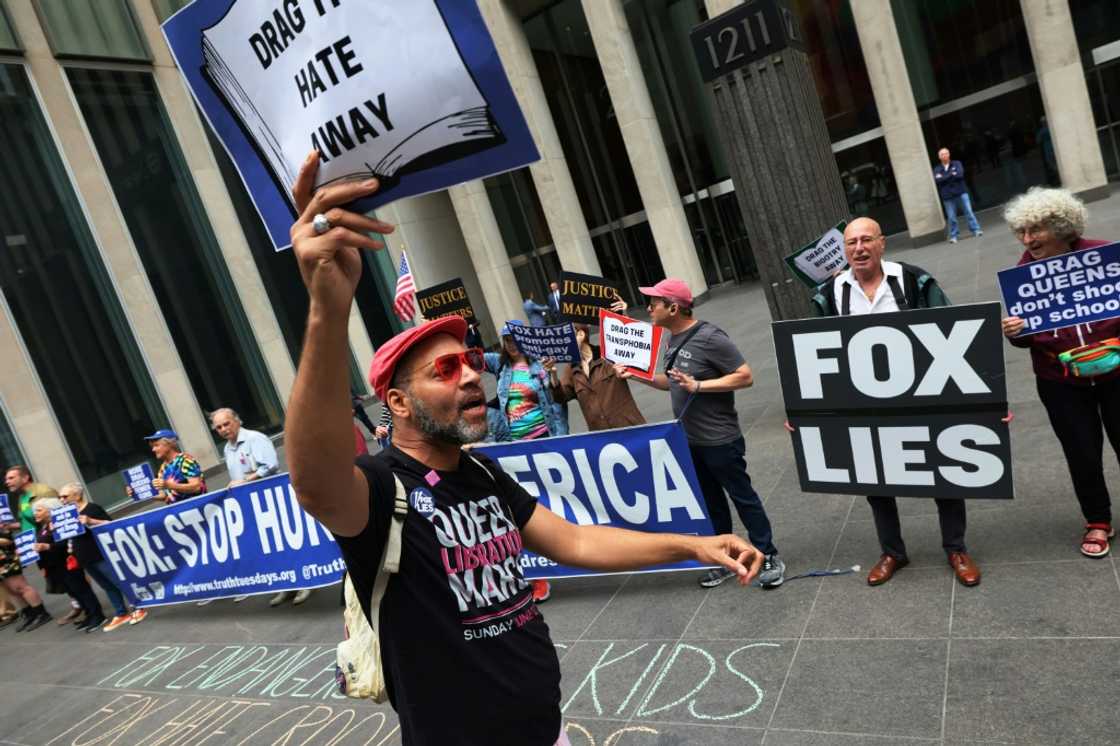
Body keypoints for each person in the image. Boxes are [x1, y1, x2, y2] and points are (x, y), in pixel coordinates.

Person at [283, 157, 762, 745]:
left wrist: (694, 544)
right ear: (399, 404)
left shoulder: (481, 470)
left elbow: (578, 540)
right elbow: (313, 478)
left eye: (469, 362)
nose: (469, 377)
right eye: (444, 369)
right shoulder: (382, 489)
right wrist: (328, 306)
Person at [807, 217, 981, 587]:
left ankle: (956, 548)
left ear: (882, 243)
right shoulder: (829, 294)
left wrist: (981, 403)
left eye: (866, 240)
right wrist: (808, 413)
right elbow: (812, 357)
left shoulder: (913, 280)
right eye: (851, 242)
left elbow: (954, 332)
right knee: (876, 482)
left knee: (944, 473)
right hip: (865, 406)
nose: (858, 248)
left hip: (923, 398)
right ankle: (892, 553)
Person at [618, 278, 785, 590]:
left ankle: (769, 554)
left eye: (654, 302)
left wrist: (700, 386)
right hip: (690, 440)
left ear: (673, 307)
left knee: (742, 497)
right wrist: (637, 375)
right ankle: (724, 560)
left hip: (720, 439)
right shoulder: (671, 339)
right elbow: (670, 382)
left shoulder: (710, 337)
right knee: (711, 502)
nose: (649, 307)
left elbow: (745, 376)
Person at [1001, 188, 1120, 558]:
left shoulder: (1104, 256)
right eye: (1021, 231)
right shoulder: (1022, 275)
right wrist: (1017, 333)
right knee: (1081, 452)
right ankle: (1098, 521)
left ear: (1061, 226)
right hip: (1060, 381)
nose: (1027, 239)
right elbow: (1029, 339)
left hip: (1117, 372)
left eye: (1035, 230)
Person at [484, 326, 567, 602]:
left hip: (542, 443)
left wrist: (552, 373)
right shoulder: (501, 367)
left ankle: (566, 558)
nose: (511, 345)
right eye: (507, 340)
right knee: (520, 513)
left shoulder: (539, 367)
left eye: (516, 339)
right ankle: (537, 577)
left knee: (549, 506)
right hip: (511, 449)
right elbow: (470, 358)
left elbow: (556, 399)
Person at [59, 482, 146, 631]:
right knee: (107, 586)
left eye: (65, 496)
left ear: (77, 495)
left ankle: (139, 606)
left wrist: (91, 521)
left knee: (118, 581)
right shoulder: (66, 515)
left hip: (100, 553)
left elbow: (110, 524)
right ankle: (121, 613)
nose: (62, 500)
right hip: (85, 557)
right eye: (60, 497)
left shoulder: (92, 508)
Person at [555, 300, 645, 432]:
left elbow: (630, 345)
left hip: (631, 429)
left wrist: (623, 314)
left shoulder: (607, 353)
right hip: (603, 440)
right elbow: (561, 397)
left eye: (567, 336)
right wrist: (551, 373)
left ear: (581, 334)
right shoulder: (571, 368)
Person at [31, 496, 105, 631]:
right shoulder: (43, 527)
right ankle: (88, 614)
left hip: (67, 563)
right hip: (55, 567)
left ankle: (97, 616)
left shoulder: (61, 523)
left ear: (50, 510)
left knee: (82, 590)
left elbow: (65, 544)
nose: (35, 513)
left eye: (39, 510)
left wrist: (47, 547)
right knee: (74, 592)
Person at [0, 493, 52, 631]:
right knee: (11, 590)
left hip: (6, 557)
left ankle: (41, 613)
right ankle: (29, 613)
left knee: (20, 586)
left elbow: (7, 539)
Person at [212, 408, 279, 487]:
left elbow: (271, 465)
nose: (223, 429)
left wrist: (246, 481)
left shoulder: (255, 438)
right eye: (219, 427)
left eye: (226, 424)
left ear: (237, 421)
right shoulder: (227, 449)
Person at [135, 430, 205, 504]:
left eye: (156, 445)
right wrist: (140, 493)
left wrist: (168, 485)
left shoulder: (185, 460)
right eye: (152, 447)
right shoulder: (162, 468)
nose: (153, 449)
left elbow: (197, 487)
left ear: (169, 444)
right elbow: (164, 495)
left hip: (197, 507)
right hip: (179, 512)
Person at [933, 147, 982, 244]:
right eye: (942, 154)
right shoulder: (937, 169)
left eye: (946, 153)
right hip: (947, 196)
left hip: (961, 193)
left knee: (969, 212)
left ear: (949, 154)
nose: (944, 155)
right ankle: (954, 236)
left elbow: (959, 175)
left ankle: (976, 230)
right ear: (939, 157)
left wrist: (945, 177)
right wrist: (951, 174)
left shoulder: (957, 163)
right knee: (951, 217)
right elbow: (938, 180)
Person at [5, 465, 59, 534]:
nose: (7, 482)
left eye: (11, 478)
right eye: (6, 479)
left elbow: (58, 517)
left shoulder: (44, 491)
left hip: (46, 540)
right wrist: (10, 526)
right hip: (31, 540)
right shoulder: (22, 496)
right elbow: (27, 521)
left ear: (25, 478)